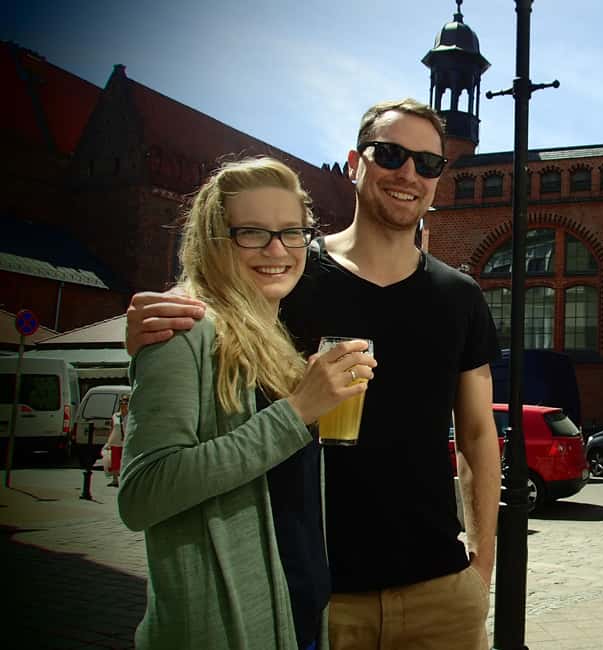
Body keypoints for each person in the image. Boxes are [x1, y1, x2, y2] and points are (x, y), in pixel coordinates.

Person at [124, 99, 501, 650]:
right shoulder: (287, 274)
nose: (408, 173)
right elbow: (214, 310)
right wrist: (148, 330)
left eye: (427, 163)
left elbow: (478, 434)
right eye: (390, 154)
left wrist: (482, 567)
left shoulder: (460, 296)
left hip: (439, 590)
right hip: (315, 598)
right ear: (354, 163)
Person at [118, 156, 377, 649]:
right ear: (216, 239)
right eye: (252, 233)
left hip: (299, 624)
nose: (277, 249)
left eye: (292, 232)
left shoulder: (276, 339)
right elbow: (142, 493)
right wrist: (297, 412)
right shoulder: (184, 331)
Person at [106, 394, 129, 487]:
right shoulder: (115, 416)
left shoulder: (130, 416)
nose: (123, 404)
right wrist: (108, 442)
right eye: (121, 402)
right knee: (115, 461)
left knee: (125, 461)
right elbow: (112, 428)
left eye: (125, 402)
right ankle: (115, 480)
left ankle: (124, 480)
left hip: (126, 442)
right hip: (116, 441)